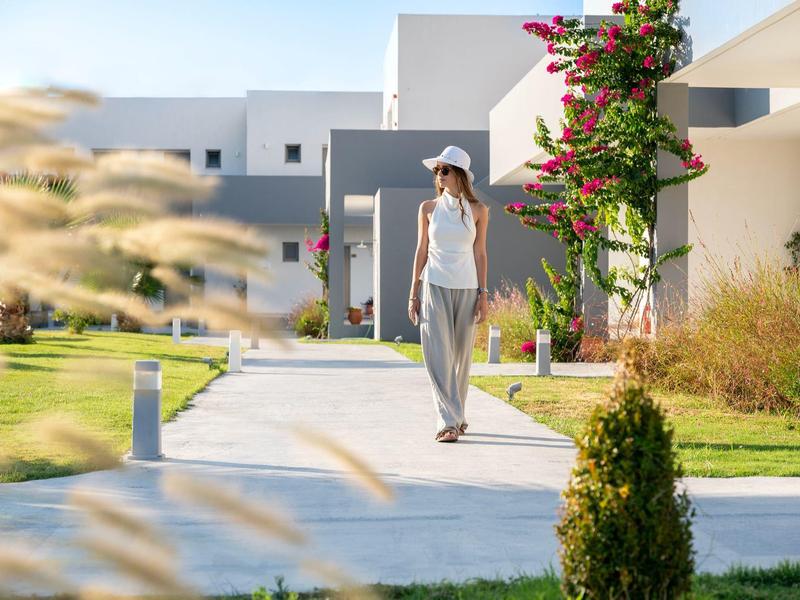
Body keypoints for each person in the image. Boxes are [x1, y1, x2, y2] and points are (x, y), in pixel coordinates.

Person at [408, 145, 489, 443]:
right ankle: (447, 422)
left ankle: (457, 415)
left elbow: (480, 254)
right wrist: (413, 293)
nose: (439, 175)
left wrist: (483, 294)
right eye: (437, 170)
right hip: (434, 285)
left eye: (444, 170)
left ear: (459, 175)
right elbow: (421, 250)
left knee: (461, 358)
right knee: (437, 357)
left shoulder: (479, 211)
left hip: (467, 288)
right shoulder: (428, 208)